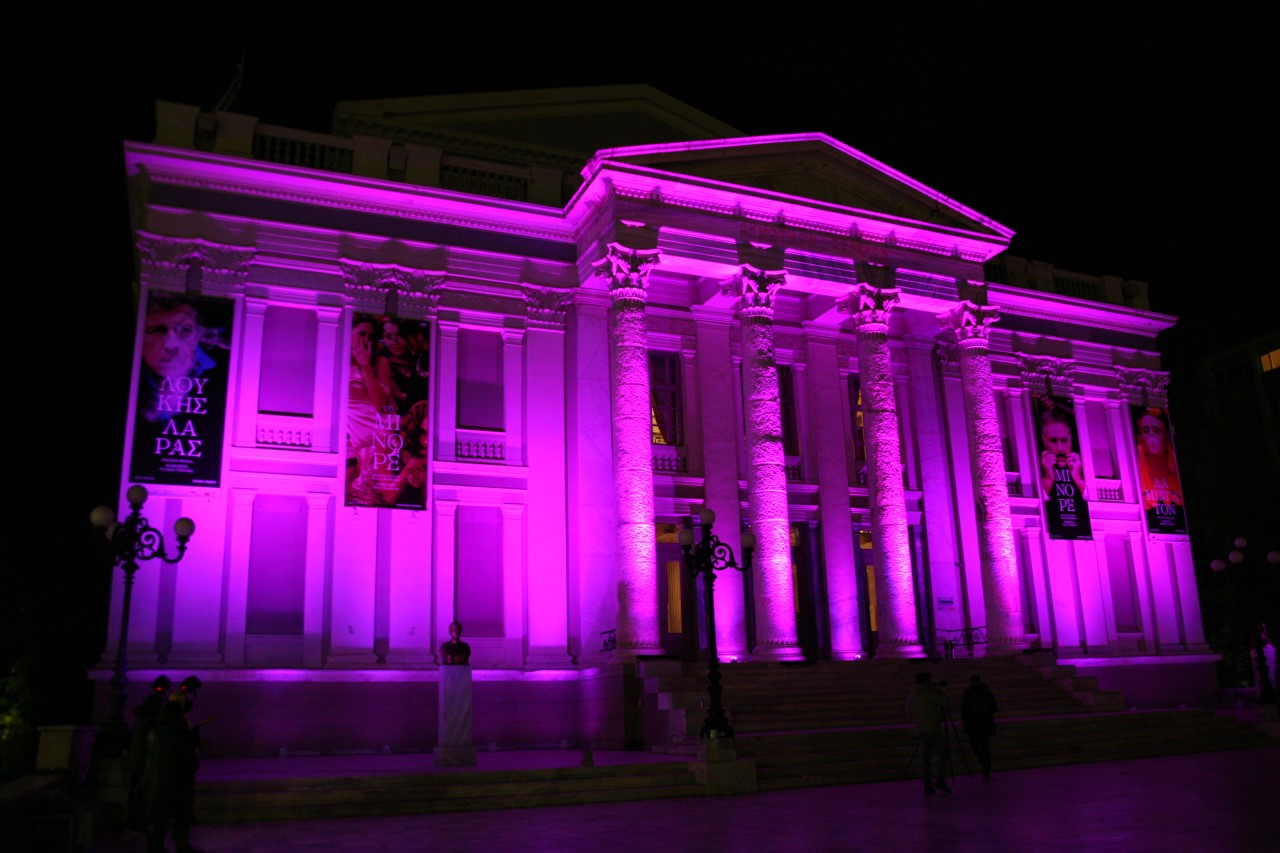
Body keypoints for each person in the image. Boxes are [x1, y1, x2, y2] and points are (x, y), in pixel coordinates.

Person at [137, 690, 203, 853]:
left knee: (159, 816)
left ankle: (155, 846)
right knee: (182, 814)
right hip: (179, 780)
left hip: (158, 779)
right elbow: (187, 757)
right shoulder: (179, 731)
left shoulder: (155, 729)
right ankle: (181, 845)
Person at [346, 314, 396, 496]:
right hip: (359, 442)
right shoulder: (340, 364)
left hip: (382, 435)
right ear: (350, 334)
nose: (366, 340)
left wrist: (366, 366)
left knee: (380, 493)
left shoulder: (379, 363)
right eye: (362, 334)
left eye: (371, 336)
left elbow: (382, 405)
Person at [127, 675, 172, 831]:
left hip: (140, 761)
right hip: (145, 762)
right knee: (141, 793)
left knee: (138, 791)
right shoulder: (151, 722)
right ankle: (136, 823)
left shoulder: (142, 720)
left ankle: (136, 822)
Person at [1134, 408, 1185, 528]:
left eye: (1156, 430)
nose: (1151, 434)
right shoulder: (1139, 479)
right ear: (1141, 437)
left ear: (1165, 436)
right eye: (1146, 431)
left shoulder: (1177, 483)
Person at [906, 671, 951, 795]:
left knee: (925, 760)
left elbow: (908, 713)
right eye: (929, 680)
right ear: (924, 681)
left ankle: (927, 785)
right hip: (934, 730)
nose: (931, 682)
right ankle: (940, 780)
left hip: (920, 731)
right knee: (943, 755)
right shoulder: (929, 693)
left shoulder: (912, 696)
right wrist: (942, 691)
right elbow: (946, 703)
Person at [1039, 404, 1087, 500]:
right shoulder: (1036, 471)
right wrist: (1048, 479)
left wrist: (1078, 479)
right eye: (1053, 441)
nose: (1060, 449)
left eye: (1064, 440)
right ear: (1044, 441)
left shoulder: (1083, 469)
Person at [960, 674, 998, 778]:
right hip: (985, 723)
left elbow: (964, 710)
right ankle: (986, 768)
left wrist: (965, 724)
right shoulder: (986, 692)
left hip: (973, 724)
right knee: (985, 747)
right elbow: (994, 708)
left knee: (975, 746)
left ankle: (984, 764)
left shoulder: (968, 693)